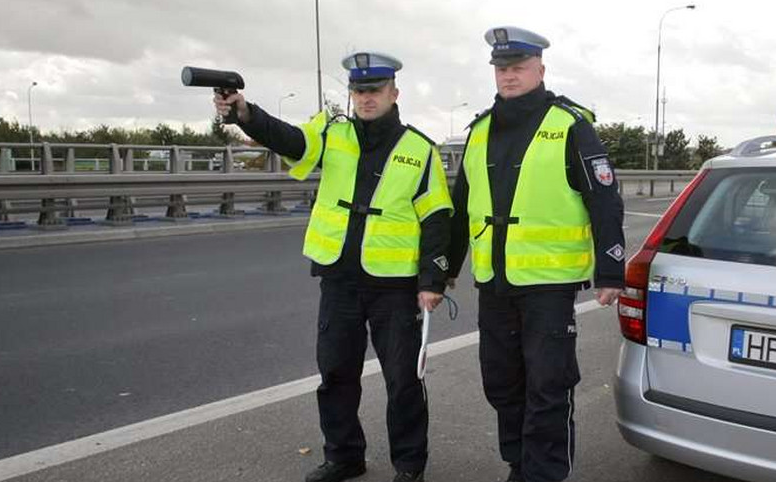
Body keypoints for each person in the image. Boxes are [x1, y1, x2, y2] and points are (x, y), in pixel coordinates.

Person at [214, 52, 453, 482]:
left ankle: (409, 465)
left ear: (393, 93)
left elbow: (437, 218)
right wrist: (245, 113)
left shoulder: (419, 149)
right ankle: (344, 457)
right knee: (336, 375)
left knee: (403, 381)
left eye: (374, 90)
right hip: (340, 280)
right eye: (359, 91)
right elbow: (288, 139)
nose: (365, 98)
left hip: (394, 286)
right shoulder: (332, 133)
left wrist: (432, 280)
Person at [446, 26, 626, 482]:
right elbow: (461, 206)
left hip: (549, 287)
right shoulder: (481, 130)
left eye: (518, 68)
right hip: (495, 283)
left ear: (540, 70)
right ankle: (518, 464)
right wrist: (444, 270)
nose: (509, 76)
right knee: (502, 383)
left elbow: (604, 199)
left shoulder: (569, 126)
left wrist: (611, 271)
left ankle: (544, 474)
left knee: (547, 386)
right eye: (501, 68)